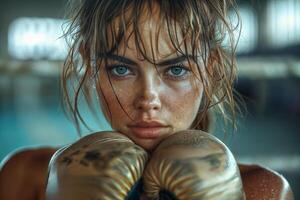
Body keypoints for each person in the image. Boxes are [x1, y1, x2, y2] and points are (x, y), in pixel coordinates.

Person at [0, 0, 294, 199]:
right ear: (89, 66)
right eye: (121, 69)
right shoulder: (25, 177)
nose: (148, 99)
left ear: (212, 68)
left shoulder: (262, 191)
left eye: (176, 69)